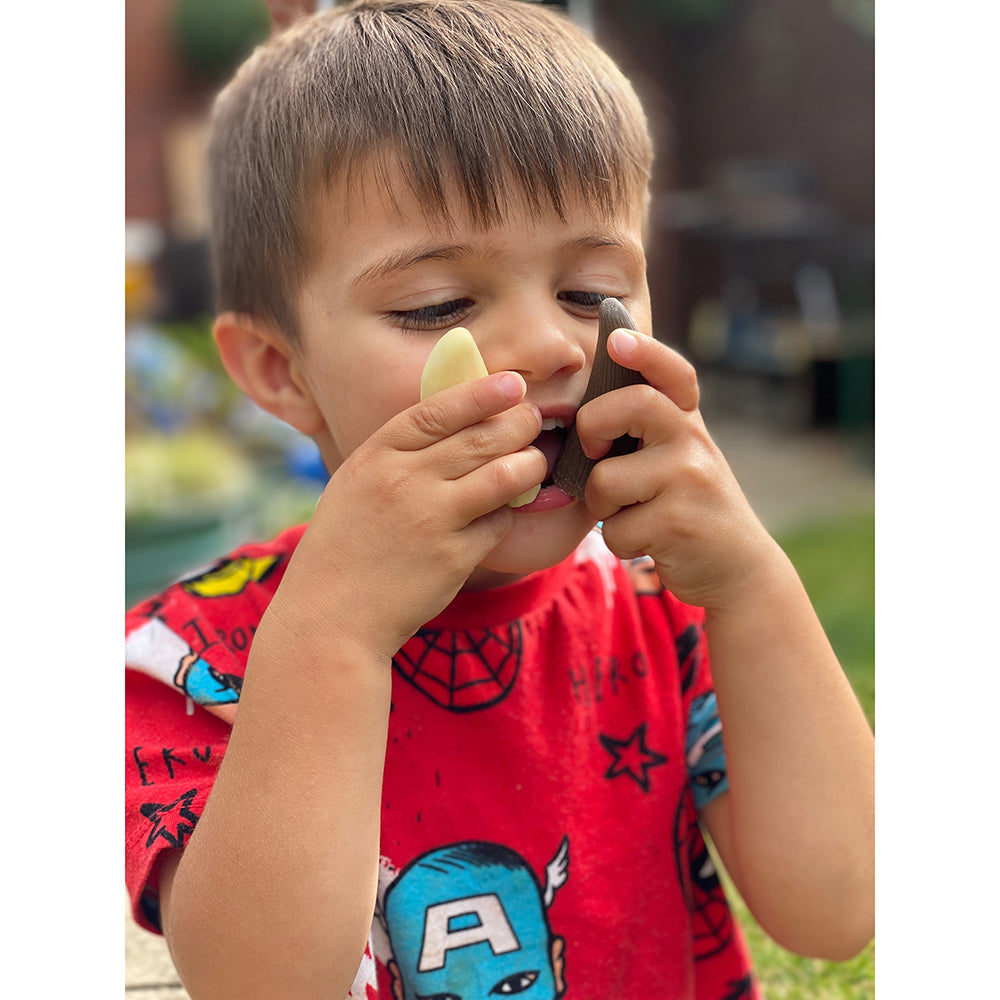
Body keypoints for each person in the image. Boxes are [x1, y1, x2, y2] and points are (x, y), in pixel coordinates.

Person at [124, 2, 875, 997]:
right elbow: (265, 982)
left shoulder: (666, 608)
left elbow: (837, 906)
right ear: (280, 369)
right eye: (436, 305)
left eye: (589, 290)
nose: (554, 346)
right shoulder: (189, 660)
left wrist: (751, 585)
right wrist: (334, 636)